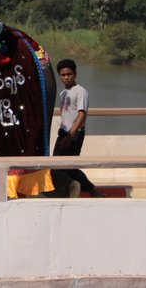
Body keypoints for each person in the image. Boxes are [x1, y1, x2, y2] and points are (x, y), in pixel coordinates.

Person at [52, 58, 104, 197]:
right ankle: (74, 188)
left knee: (69, 166)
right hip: (63, 133)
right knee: (56, 165)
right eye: (63, 75)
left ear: (75, 74)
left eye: (69, 74)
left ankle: (90, 190)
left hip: (74, 134)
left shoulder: (81, 92)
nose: (66, 77)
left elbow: (82, 114)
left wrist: (71, 135)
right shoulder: (63, 93)